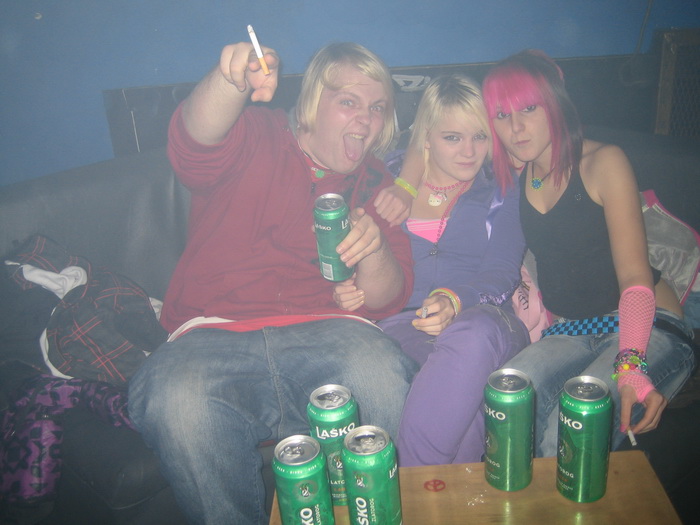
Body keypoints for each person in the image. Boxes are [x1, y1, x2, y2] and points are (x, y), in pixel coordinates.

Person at [127, 41, 418, 525]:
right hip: (213, 331)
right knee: (178, 401)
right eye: (349, 101)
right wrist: (231, 82)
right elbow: (193, 143)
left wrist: (375, 249)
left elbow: (389, 298)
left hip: (329, 331)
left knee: (382, 375)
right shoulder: (255, 132)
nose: (365, 120)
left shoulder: (375, 183)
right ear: (312, 102)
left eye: (377, 108)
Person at [480, 49, 695, 456]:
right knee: (506, 408)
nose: (516, 127)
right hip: (573, 332)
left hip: (645, 327)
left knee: (565, 436)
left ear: (555, 104)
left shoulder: (603, 162)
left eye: (529, 108)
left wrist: (631, 364)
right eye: (502, 115)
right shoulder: (518, 173)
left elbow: (634, 276)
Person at [371, 74, 529, 466]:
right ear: (426, 137)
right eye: (453, 137)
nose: (469, 152)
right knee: (462, 405)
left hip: (487, 320)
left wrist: (455, 300)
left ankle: (410, 486)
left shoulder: (503, 190)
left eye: (480, 137)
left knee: (472, 337)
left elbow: (502, 271)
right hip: (405, 324)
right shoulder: (387, 181)